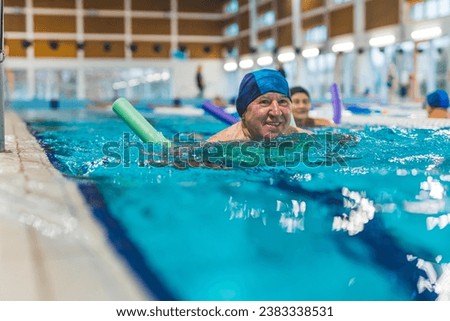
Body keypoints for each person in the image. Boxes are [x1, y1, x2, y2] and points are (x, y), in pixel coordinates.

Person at [207, 69, 308, 142]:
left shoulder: (305, 138)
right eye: (264, 102)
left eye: (282, 101)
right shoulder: (218, 148)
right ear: (244, 112)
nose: (276, 112)